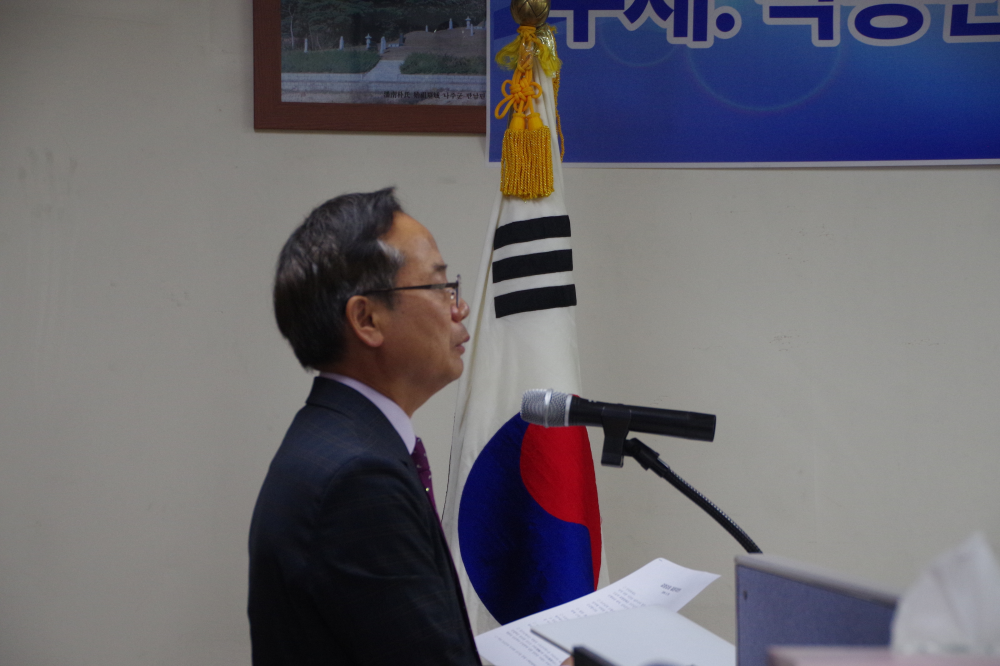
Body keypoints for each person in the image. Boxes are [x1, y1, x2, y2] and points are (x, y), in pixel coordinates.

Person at [247, 188, 479, 666]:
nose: (459, 308)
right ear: (367, 318)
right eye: (439, 286)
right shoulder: (358, 480)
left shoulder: (334, 439)